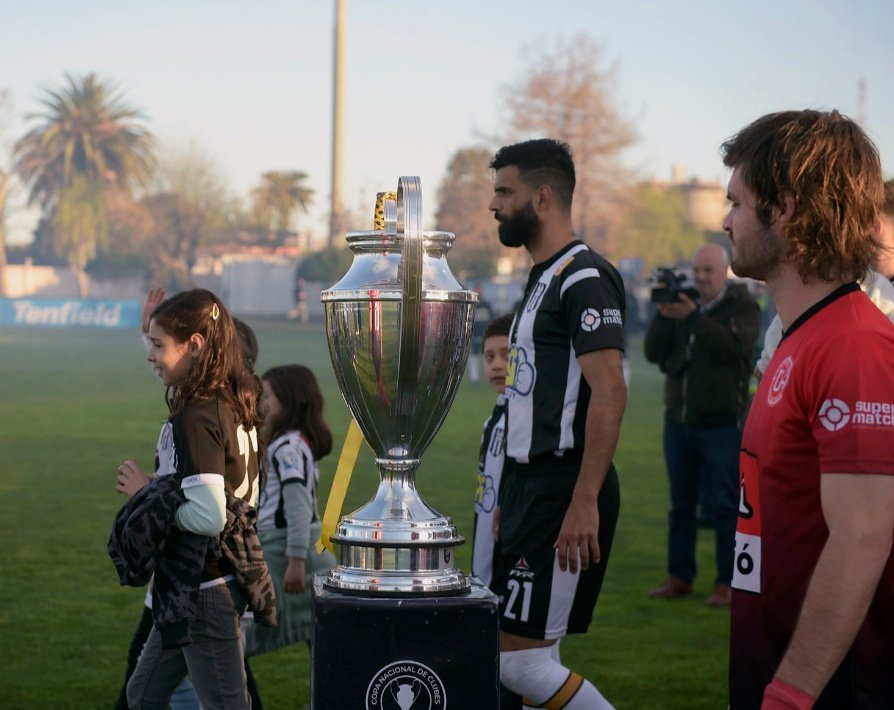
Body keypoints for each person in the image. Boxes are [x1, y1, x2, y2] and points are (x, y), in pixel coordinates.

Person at [721, 109, 894, 709]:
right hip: (769, 666)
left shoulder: (852, 345)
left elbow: (864, 536)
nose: (726, 220)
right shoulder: (799, 336)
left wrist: (791, 695)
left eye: (738, 202)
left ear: (786, 207)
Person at [487, 138, 625, 709]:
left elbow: (610, 391)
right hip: (529, 487)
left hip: (564, 485)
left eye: (504, 191)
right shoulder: (541, 276)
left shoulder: (582, 276)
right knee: (512, 654)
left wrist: (584, 497)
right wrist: (510, 488)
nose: (493, 205)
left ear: (542, 197)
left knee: (521, 666)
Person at [117, 288, 271, 710]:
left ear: (196, 345)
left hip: (206, 586)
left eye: (158, 345)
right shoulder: (234, 399)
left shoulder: (200, 414)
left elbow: (207, 516)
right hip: (199, 583)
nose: (151, 355)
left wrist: (147, 496)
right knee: (141, 693)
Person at [644, 243, 760, 607]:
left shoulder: (742, 306)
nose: (701, 278)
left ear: (724, 272)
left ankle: (727, 581)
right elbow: (652, 352)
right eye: (697, 271)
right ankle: (680, 576)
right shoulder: (683, 302)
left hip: (723, 422)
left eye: (708, 271)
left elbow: (735, 348)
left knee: (726, 504)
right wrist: (665, 315)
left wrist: (694, 317)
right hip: (678, 420)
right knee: (681, 504)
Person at [241, 365, 337, 691]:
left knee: (234, 639)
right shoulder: (291, 443)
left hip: (284, 554)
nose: (260, 403)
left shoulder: (289, 448)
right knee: (322, 647)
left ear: (289, 400)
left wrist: (296, 559)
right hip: (284, 550)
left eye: (266, 396)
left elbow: (298, 507)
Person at [471, 313, 513, 587]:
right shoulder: (495, 418)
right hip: (486, 539)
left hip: (510, 545)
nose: (497, 365)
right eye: (489, 357)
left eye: (506, 355)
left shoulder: (529, 421)